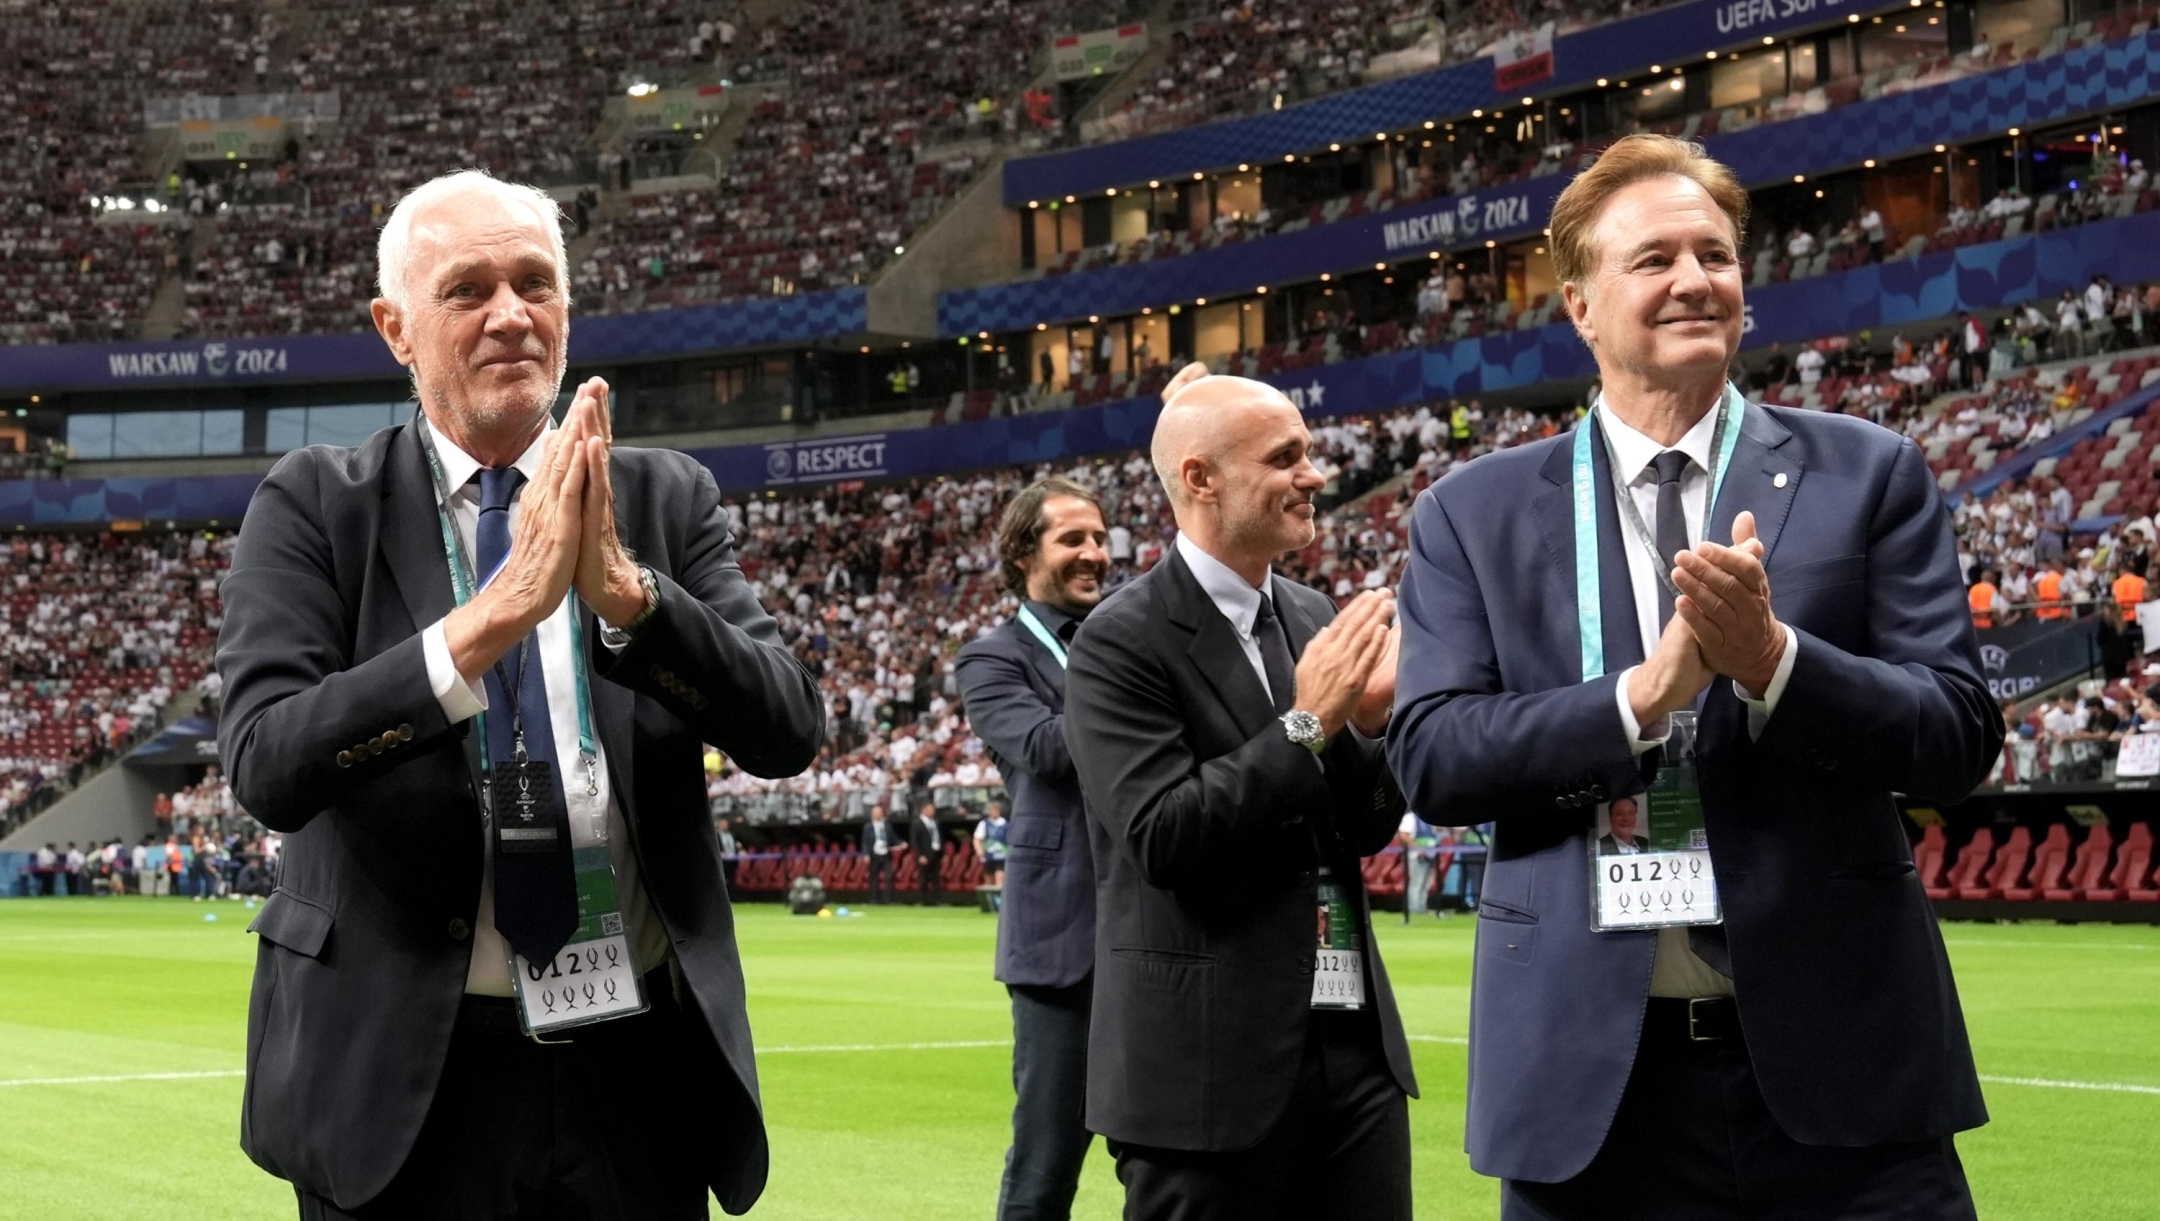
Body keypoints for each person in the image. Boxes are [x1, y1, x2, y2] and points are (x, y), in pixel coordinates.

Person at [1388, 135, 2000, 1221]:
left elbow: (1955, 732)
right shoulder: (1469, 513)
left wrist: (1775, 665)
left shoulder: (1869, 473)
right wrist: (1642, 696)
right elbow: (1434, 757)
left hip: (1844, 1071)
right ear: (1579, 303)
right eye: (1654, 258)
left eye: (1715, 255)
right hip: (1592, 1096)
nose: (1693, 280)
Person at [216, 170, 824, 1220]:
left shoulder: (664, 497)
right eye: (467, 290)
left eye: (535, 284)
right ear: (394, 329)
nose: (510, 315)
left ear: (569, 311)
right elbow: (268, 762)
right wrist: (485, 624)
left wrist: (631, 601)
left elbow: (786, 728)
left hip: (637, 1074)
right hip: (412, 1077)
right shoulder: (317, 503)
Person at [1064, 369, 1417, 1220]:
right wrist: (1309, 722)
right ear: (1200, 477)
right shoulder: (1120, 639)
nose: (1315, 474)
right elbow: (1163, 835)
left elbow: (1361, 831)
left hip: (1351, 1049)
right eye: (1285, 456)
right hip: (1204, 1075)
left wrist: (1375, 728)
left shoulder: (1309, 613)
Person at [956, 476, 1111, 1221]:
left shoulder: (1126, 635)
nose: (1094, 553)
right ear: (1022, 552)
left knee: (1170, 1161)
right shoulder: (989, 658)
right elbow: (1046, 750)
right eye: (1073, 538)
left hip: (1159, 932)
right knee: (1047, 1162)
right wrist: (1130, 685)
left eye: (1102, 538)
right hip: (1060, 946)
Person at [862, 803, 898, 903]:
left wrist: (901, 844)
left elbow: (893, 839)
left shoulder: (887, 825)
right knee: (874, 878)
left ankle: (888, 899)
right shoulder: (868, 827)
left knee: (888, 877)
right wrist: (866, 854)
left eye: (879, 813)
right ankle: (874, 899)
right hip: (874, 854)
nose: (877, 815)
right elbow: (865, 842)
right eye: (875, 813)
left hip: (886, 854)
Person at [910, 801, 945, 904]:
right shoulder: (917, 823)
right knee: (923, 878)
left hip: (936, 853)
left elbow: (939, 837)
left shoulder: (935, 822)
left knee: (936, 878)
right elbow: (914, 841)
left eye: (933, 810)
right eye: (930, 810)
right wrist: (919, 855)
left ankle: (935, 900)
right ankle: (923, 900)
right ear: (924, 810)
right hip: (924, 854)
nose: (932, 812)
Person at [975, 802, 1010, 887]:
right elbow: (977, 839)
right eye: (992, 810)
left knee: (1000, 882)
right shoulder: (984, 824)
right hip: (988, 856)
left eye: (995, 810)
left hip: (1002, 856)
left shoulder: (1006, 824)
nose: (994, 812)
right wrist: (979, 850)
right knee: (989, 882)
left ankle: (999, 899)